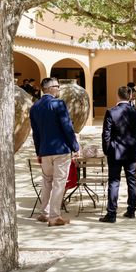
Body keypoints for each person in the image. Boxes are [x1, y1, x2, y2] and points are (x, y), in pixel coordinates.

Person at [29, 77, 80, 226]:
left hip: (45, 150)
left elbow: (35, 133)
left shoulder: (35, 106)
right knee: (59, 183)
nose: (59, 89)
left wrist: (39, 151)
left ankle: (44, 213)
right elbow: (67, 127)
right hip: (60, 150)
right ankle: (54, 216)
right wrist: (75, 147)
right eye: (57, 86)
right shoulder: (58, 104)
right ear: (50, 88)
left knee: (47, 182)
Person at [100, 86, 136, 223]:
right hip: (132, 150)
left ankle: (111, 213)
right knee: (132, 180)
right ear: (129, 96)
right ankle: (131, 210)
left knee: (114, 181)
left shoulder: (111, 112)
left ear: (118, 96)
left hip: (115, 151)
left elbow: (106, 134)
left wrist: (107, 150)